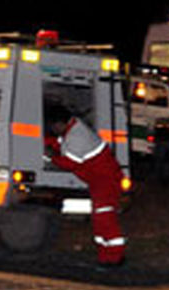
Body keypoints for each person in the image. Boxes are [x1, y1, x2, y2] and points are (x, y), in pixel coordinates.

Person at [44, 104, 126, 269]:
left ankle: (114, 258)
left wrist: (51, 157)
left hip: (105, 182)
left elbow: (70, 162)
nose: (53, 129)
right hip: (101, 181)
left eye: (53, 126)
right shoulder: (73, 130)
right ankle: (107, 258)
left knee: (105, 220)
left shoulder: (77, 135)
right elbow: (62, 145)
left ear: (59, 123)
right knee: (101, 220)